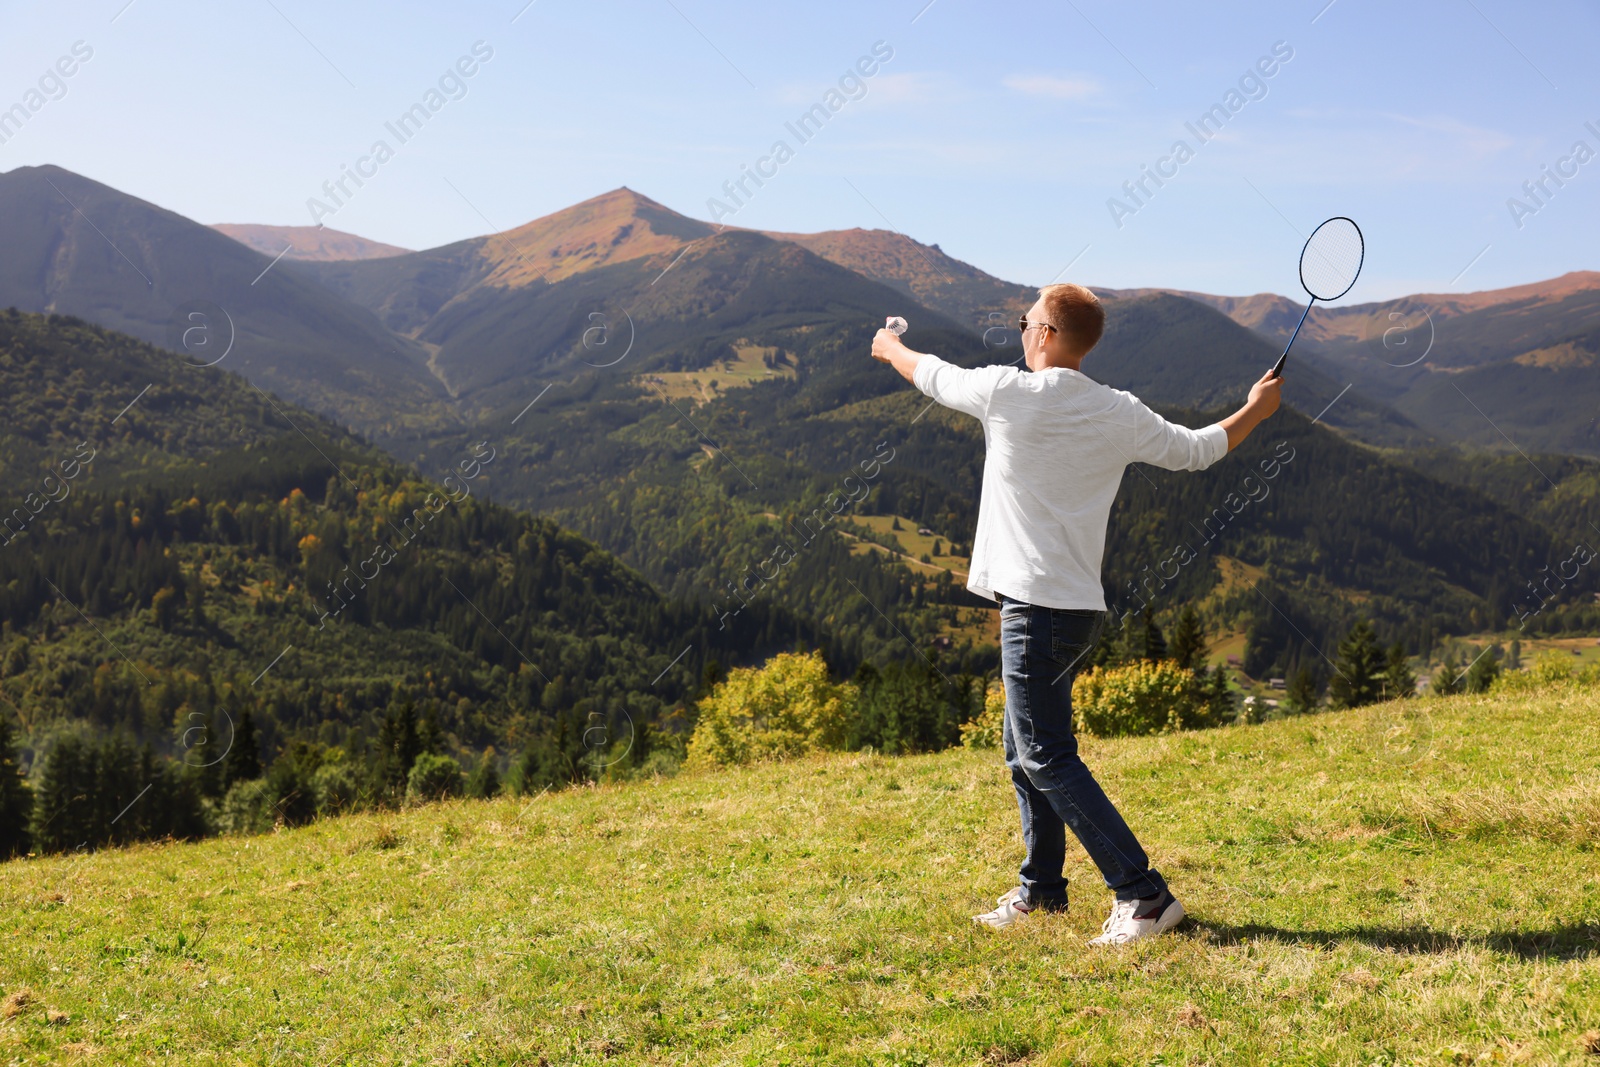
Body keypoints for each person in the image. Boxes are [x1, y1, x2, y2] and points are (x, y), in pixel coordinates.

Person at [870, 283, 1281, 945]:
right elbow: (1197, 449)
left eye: (1027, 320)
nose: (1022, 329)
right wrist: (1256, 410)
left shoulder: (1008, 394)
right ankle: (1043, 890)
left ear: (1050, 334)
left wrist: (888, 345)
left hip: (1033, 610)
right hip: (1072, 610)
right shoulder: (1116, 410)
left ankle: (1144, 895)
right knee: (1023, 751)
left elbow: (932, 375)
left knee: (1045, 754)